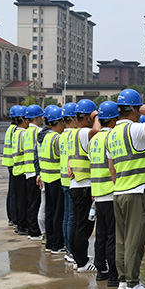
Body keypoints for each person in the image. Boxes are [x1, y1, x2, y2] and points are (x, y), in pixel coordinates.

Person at [108, 88, 145, 289]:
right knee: (135, 240)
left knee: (122, 240)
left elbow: (112, 168)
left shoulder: (111, 134)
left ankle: (123, 281)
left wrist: (121, 186)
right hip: (137, 192)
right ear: (133, 110)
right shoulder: (134, 129)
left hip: (119, 192)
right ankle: (133, 284)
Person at [68, 99, 99, 273]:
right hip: (84, 185)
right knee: (84, 227)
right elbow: (97, 131)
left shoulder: (73, 133)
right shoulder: (84, 132)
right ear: (87, 117)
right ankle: (82, 262)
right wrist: (97, 117)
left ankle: (77, 258)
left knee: (77, 224)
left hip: (76, 184)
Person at [90, 101, 119, 287]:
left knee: (100, 234)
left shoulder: (94, 139)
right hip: (111, 191)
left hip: (98, 192)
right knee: (112, 236)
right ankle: (114, 274)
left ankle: (101, 269)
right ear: (114, 120)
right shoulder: (112, 138)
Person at [38, 106, 66, 254]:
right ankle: (57, 244)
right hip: (56, 178)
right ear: (58, 122)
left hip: (47, 178)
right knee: (57, 212)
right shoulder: (57, 138)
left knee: (49, 211)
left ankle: (50, 242)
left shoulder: (45, 137)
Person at [22, 104, 45, 242]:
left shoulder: (25, 133)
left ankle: (32, 230)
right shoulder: (38, 132)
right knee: (37, 203)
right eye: (40, 116)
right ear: (36, 118)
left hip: (27, 171)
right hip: (35, 172)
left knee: (31, 202)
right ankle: (35, 231)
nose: (42, 119)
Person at [59, 102, 78, 264]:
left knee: (67, 216)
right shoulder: (74, 135)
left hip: (64, 179)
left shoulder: (62, 136)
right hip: (73, 180)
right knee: (72, 217)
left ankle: (68, 248)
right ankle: (72, 251)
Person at [10, 106, 30, 235]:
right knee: (23, 200)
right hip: (23, 169)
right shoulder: (23, 134)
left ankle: (18, 223)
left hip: (17, 168)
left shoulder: (15, 133)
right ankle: (23, 225)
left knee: (18, 199)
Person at [2, 105, 19, 227]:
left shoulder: (10, 128)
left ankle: (11, 217)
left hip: (10, 162)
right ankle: (13, 217)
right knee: (14, 192)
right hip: (14, 163)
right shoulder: (15, 130)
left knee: (12, 191)